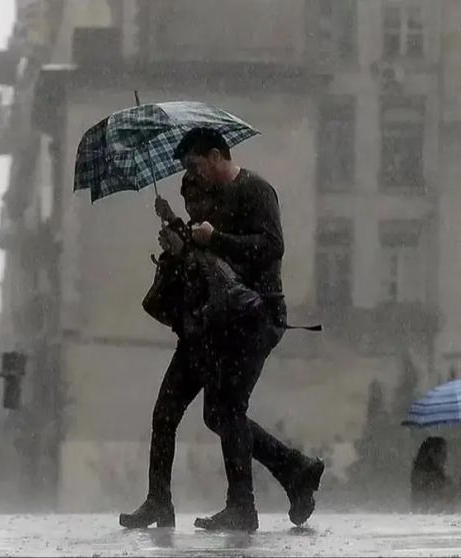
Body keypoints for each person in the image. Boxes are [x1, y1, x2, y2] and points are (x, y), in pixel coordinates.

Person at [119, 129, 324, 532]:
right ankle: (161, 500)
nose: (192, 180)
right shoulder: (206, 199)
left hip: (256, 317)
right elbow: (206, 264)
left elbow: (270, 248)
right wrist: (179, 243)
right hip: (211, 322)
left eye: (195, 167)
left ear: (216, 156)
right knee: (171, 411)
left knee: (226, 409)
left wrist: (216, 238)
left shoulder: (256, 190)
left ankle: (244, 506)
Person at [410, 437, 461, 514]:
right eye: (442, 452)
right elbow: (444, 494)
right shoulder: (424, 474)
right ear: (431, 453)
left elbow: (449, 491)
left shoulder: (435, 474)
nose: (445, 456)